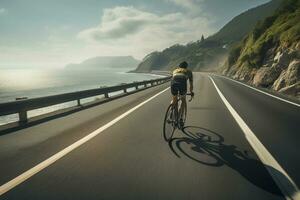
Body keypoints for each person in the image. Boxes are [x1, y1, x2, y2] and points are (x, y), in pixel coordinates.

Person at [170, 61, 194, 127]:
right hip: (182, 84)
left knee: (174, 99)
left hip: (173, 83)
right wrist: (191, 92)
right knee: (183, 100)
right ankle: (180, 119)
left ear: (179, 66)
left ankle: (172, 109)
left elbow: (173, 78)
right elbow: (191, 84)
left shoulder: (175, 70)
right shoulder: (188, 71)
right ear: (186, 67)